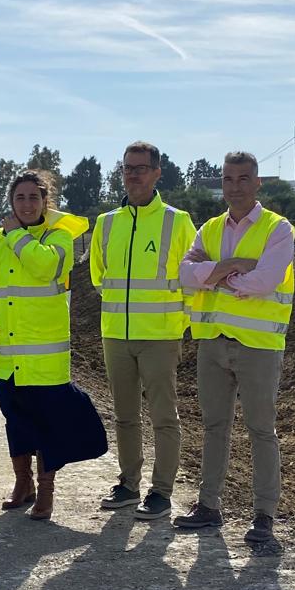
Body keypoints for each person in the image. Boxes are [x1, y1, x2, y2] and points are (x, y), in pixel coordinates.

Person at [173, 151, 295, 548]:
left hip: (258, 345)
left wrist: (215, 273)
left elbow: (264, 281)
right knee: (214, 428)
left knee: (261, 430)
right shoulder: (209, 229)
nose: (235, 186)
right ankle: (209, 507)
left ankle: (264, 517)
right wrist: (232, 266)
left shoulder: (278, 229)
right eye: (228, 179)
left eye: (243, 178)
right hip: (213, 343)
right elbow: (183, 274)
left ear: (257, 183)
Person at [0, 170, 106, 521]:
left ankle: (46, 492)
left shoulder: (58, 238)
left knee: (48, 425)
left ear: (46, 202)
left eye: (34, 197)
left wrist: (15, 233)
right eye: (20, 198)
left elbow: (45, 267)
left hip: (45, 360)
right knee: (16, 422)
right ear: (11, 202)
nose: (27, 204)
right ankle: (22, 483)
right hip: (4, 357)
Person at [88, 141, 197, 520]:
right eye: (127, 168)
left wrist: (178, 326)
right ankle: (128, 484)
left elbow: (192, 279)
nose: (132, 174)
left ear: (156, 173)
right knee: (124, 414)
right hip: (116, 334)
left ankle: (162, 491)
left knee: (164, 416)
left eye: (140, 168)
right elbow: (99, 277)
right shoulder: (106, 224)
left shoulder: (177, 221)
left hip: (161, 336)